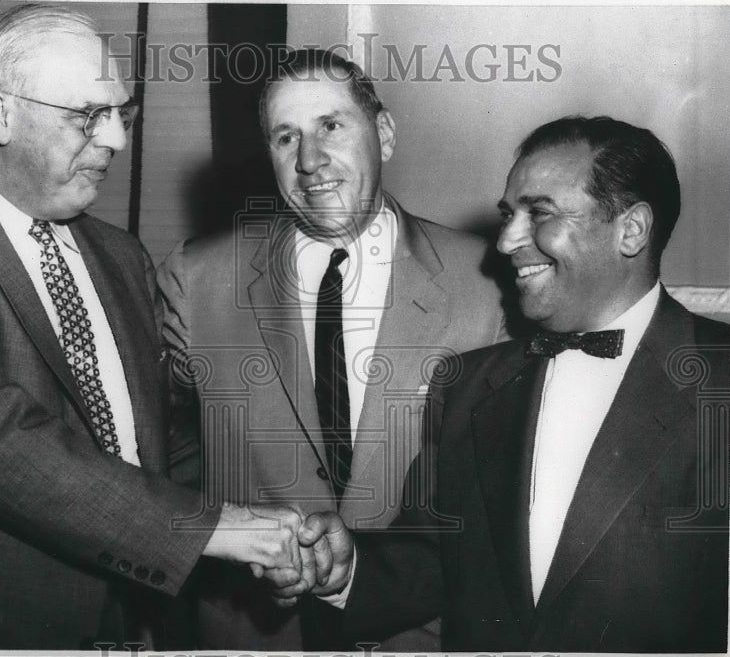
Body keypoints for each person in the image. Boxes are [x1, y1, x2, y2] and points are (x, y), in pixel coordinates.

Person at [0, 4, 320, 652]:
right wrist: (215, 531)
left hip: (129, 622)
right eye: (89, 116)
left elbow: (158, 441)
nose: (117, 138)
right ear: (1, 115)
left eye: (123, 112)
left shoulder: (121, 256)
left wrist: (285, 526)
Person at [302, 116, 730, 652]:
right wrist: (346, 573)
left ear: (632, 229)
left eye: (540, 213)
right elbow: (433, 561)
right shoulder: (466, 386)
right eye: (509, 214)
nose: (505, 241)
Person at [156, 48, 505, 650]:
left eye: (331, 126)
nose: (310, 161)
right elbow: (164, 447)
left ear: (385, 134)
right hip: (254, 631)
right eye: (285, 137)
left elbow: (499, 488)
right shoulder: (198, 277)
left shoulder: (489, 285)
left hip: (420, 634)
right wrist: (233, 537)